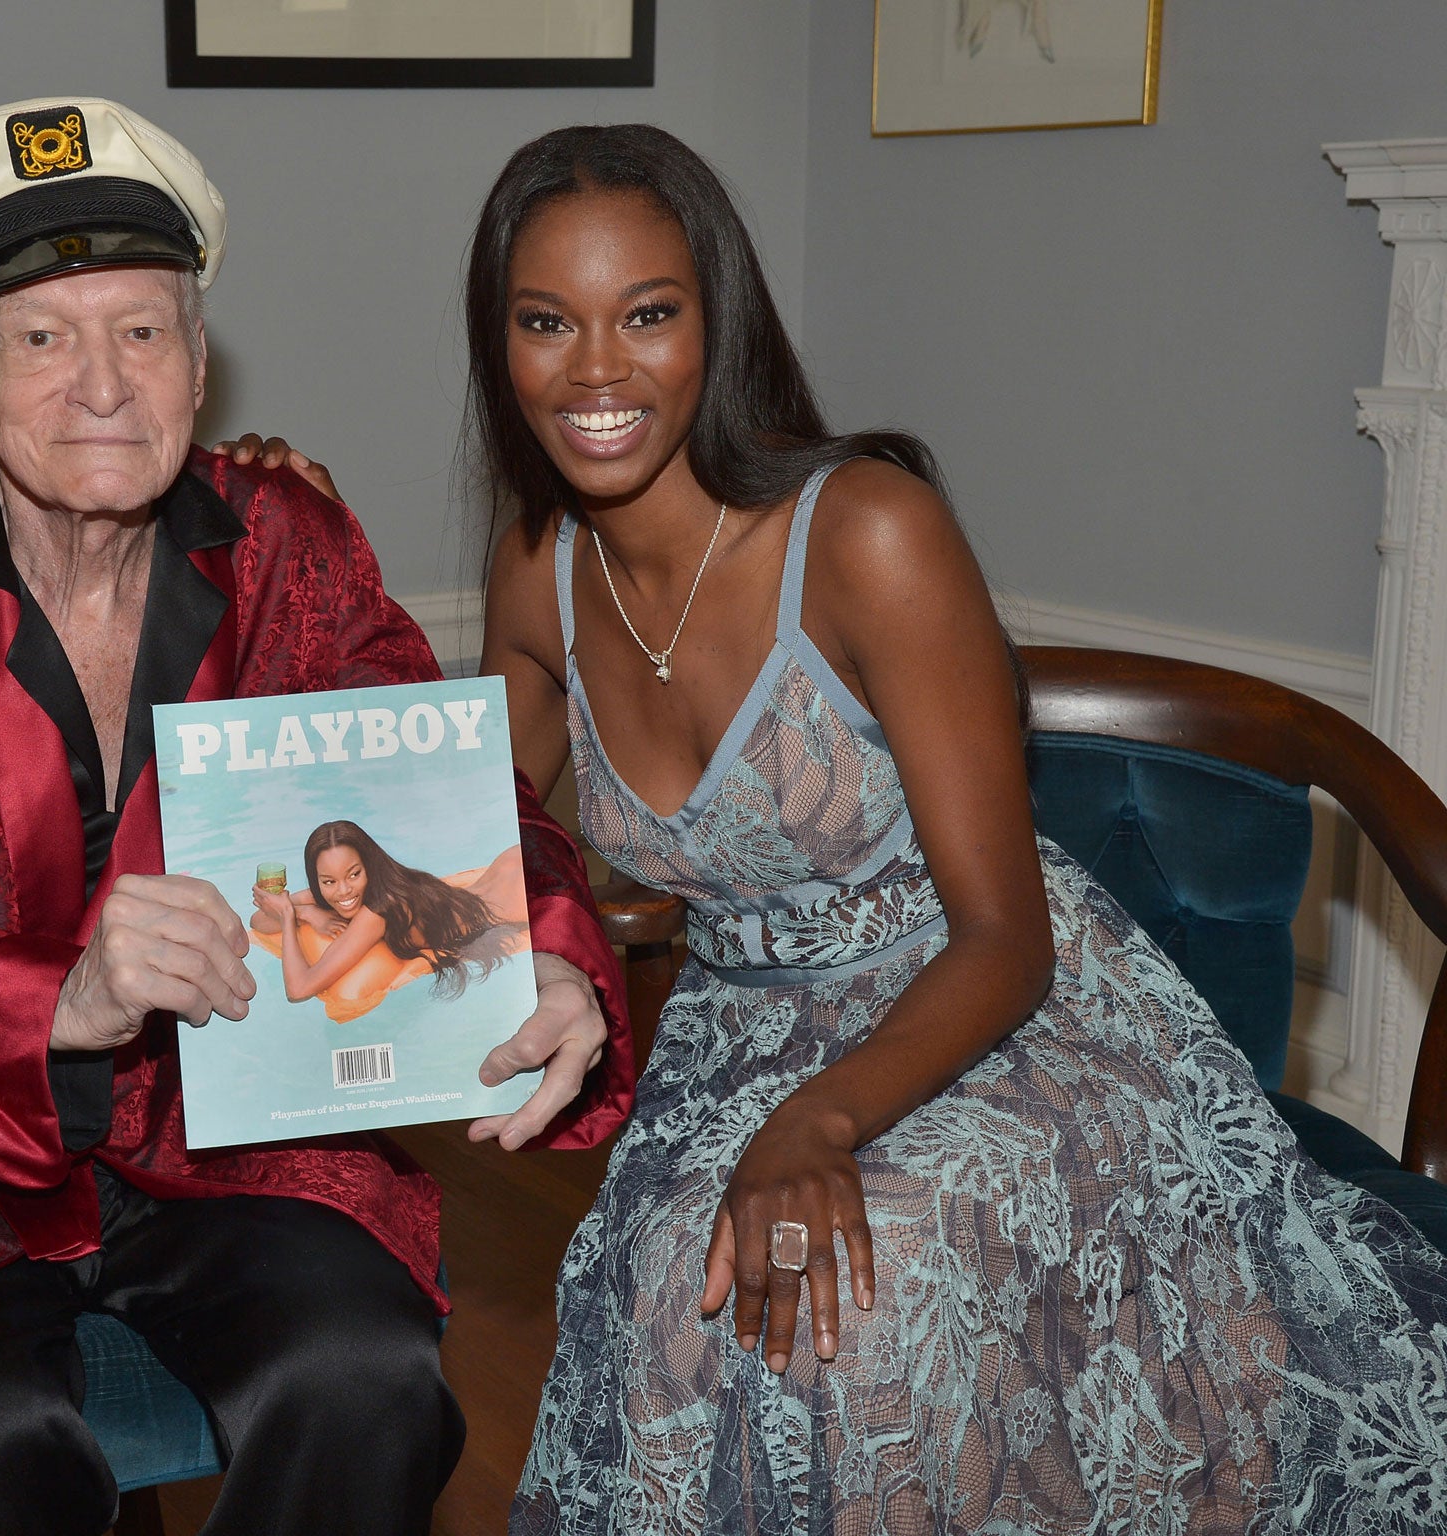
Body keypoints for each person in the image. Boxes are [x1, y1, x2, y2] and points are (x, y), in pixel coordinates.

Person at [457, 123, 1447, 1533]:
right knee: (690, 1295)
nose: (598, 371)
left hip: (1000, 1026)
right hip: (735, 1036)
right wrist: (261, 534)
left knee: (862, 1304)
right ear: (500, 344)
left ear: (715, 322)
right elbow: (448, 837)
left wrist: (820, 1119)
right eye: (547, 322)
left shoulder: (865, 529)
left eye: (651, 315)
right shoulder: (535, 571)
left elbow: (1008, 938)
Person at [0, 97, 633, 1536]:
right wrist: (47, 997)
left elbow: (448, 808)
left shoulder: (289, 549)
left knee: (366, 1376)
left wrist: (543, 944)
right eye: (44, 336)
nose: (104, 385)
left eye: (142, 329)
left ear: (199, 359)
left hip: (226, 1115)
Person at [250, 820, 526, 1011]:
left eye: (354, 874)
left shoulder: (377, 913)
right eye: (328, 882)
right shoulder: (337, 892)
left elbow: (298, 990)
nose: (343, 891)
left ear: (368, 866)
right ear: (318, 880)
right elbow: (259, 922)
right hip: (495, 878)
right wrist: (308, 913)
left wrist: (288, 916)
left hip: (514, 898)